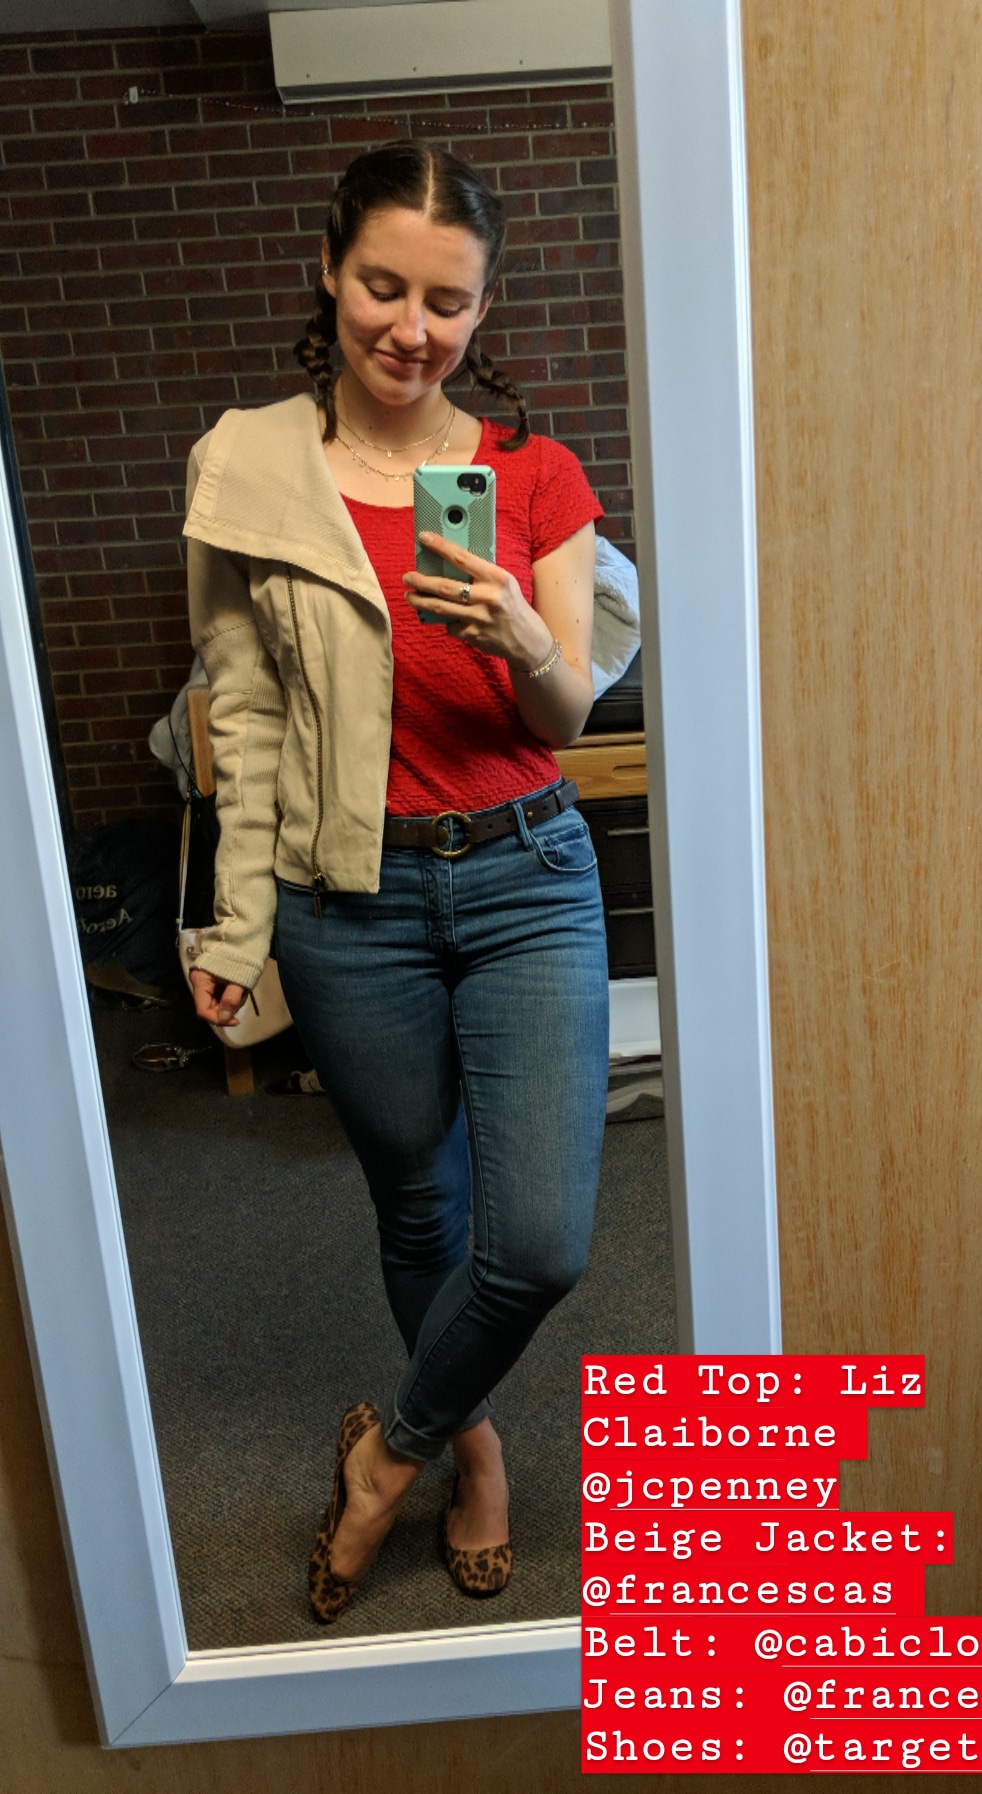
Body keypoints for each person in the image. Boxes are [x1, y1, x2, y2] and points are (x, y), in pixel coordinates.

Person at [183, 141, 610, 1621]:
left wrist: (522, 635)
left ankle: (394, 1448)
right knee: (421, 1209)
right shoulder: (250, 466)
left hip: (526, 876)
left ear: (482, 311)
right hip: (343, 900)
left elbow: (566, 719)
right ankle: (477, 1450)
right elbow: (238, 713)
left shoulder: (531, 476)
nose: (409, 328)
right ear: (330, 271)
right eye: (382, 285)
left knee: (541, 1234)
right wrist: (237, 921)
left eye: (447, 300)